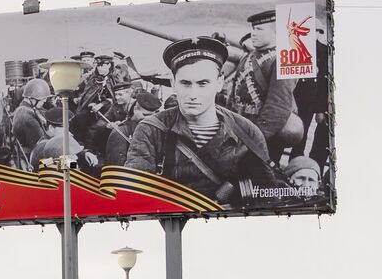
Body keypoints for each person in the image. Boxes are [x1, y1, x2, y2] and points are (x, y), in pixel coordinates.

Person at [123, 36, 287, 208]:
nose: (193, 94)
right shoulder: (151, 130)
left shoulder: (247, 132)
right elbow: (134, 196)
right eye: (185, 83)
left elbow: (268, 199)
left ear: (219, 83)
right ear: (173, 83)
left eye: (203, 83)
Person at [229, 10, 300, 153]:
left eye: (259, 29)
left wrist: (256, 140)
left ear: (276, 32)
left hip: (264, 135)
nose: (253, 33)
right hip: (241, 127)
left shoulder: (284, 60)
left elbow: (278, 107)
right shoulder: (250, 56)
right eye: (253, 29)